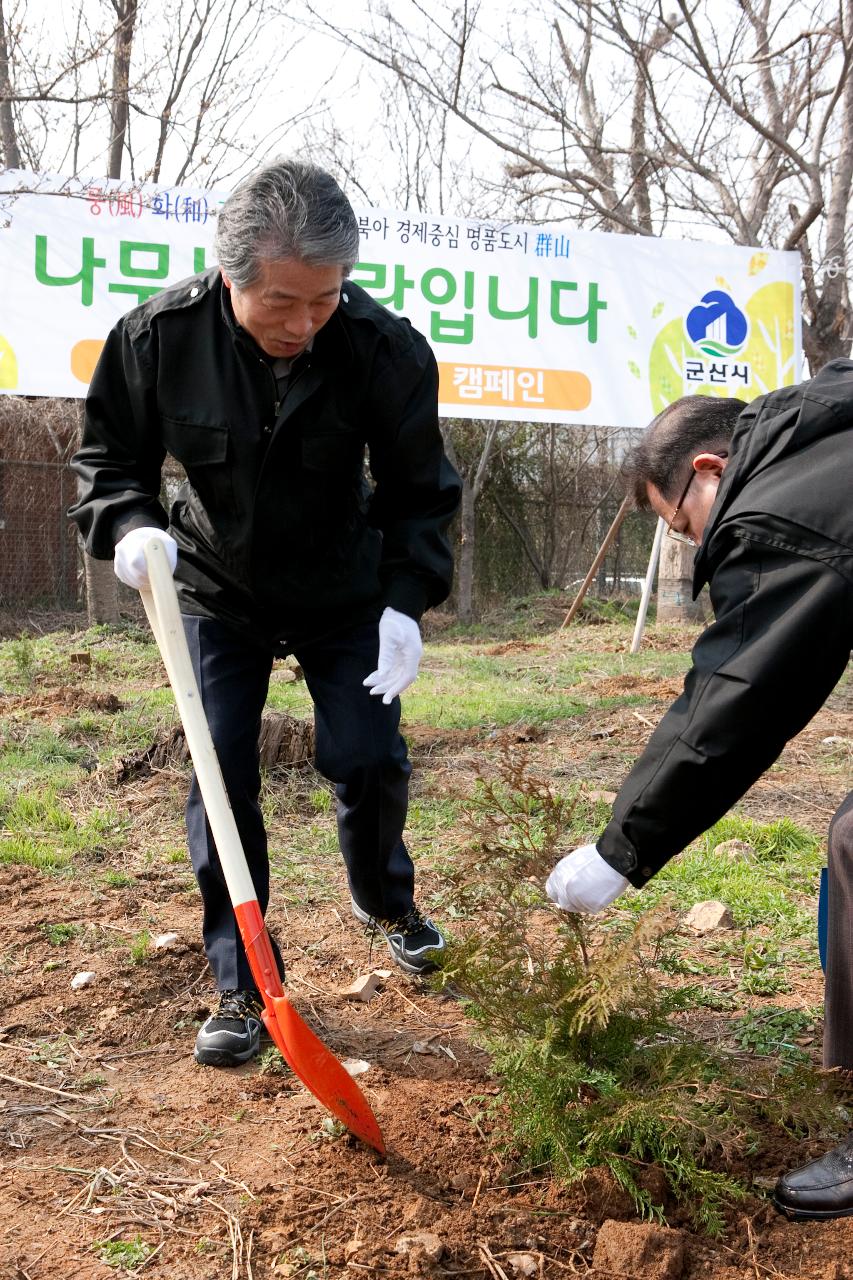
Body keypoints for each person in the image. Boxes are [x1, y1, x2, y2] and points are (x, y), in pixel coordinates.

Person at [69, 158, 461, 1068]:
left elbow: (419, 494)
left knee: (365, 757)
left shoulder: (383, 348)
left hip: (344, 590)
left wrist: (405, 603)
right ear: (230, 274)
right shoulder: (156, 338)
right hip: (214, 588)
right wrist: (128, 528)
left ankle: (383, 896)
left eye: (324, 299)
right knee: (221, 776)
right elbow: (106, 465)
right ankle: (245, 982)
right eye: (282, 301)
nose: (304, 322)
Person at [546, 362, 853, 1220]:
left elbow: (739, 698)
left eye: (677, 520)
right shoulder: (822, 430)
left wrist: (621, 845)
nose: (686, 542)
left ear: (708, 470)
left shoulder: (778, 512)